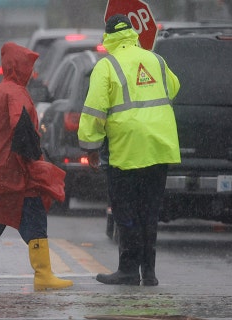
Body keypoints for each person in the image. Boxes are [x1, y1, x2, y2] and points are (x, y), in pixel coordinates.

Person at [0, 41, 73, 291]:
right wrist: (35, 158)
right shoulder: (17, 94)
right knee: (33, 213)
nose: (31, 73)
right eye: (28, 67)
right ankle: (43, 275)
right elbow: (21, 129)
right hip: (13, 169)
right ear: (20, 68)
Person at [78, 14, 181, 286]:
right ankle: (149, 272)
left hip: (127, 148)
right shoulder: (155, 60)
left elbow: (94, 110)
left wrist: (90, 146)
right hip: (160, 145)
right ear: (132, 34)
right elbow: (174, 87)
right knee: (149, 210)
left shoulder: (107, 65)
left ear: (108, 37)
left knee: (126, 210)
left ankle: (127, 270)